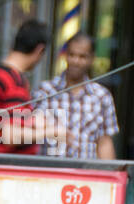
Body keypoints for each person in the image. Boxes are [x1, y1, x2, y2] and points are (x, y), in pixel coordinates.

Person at [36, 32, 119, 160]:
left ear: (92, 58)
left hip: (86, 176)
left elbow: (104, 143)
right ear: (65, 55)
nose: (76, 61)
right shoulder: (45, 91)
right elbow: (32, 135)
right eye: (71, 55)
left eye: (82, 57)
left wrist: (111, 176)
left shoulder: (102, 96)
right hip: (50, 175)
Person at [0, 19, 48, 155]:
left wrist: (33, 121)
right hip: (9, 167)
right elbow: (11, 136)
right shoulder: (14, 81)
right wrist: (51, 132)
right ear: (39, 50)